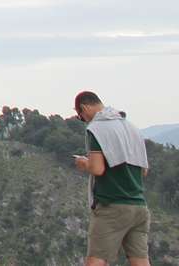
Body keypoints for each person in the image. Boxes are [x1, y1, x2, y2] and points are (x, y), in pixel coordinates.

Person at [72, 91, 150, 266]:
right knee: (140, 261)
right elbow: (143, 171)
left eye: (81, 116)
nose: (84, 120)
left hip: (112, 205)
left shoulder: (96, 129)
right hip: (138, 206)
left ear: (84, 108)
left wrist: (84, 163)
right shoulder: (132, 128)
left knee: (96, 260)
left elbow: (97, 169)